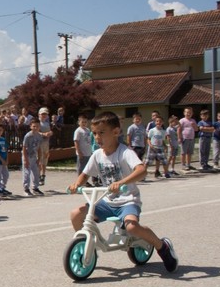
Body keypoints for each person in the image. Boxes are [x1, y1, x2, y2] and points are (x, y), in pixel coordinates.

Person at [68, 111, 178, 273]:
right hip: (107, 201)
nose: (97, 137)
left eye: (101, 133)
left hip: (128, 200)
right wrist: (76, 184)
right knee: (76, 214)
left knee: (132, 227)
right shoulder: (97, 155)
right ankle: (87, 245)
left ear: (116, 132)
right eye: (95, 134)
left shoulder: (125, 152)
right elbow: (85, 174)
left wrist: (121, 183)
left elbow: (141, 170)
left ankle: (162, 246)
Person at [22, 120, 43, 196]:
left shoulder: (39, 136)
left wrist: (39, 159)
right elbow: (24, 147)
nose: (35, 128)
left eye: (37, 126)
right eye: (34, 126)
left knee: (36, 172)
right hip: (27, 156)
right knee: (27, 173)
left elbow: (39, 148)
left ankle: (35, 188)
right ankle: (26, 188)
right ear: (30, 126)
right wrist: (25, 160)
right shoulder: (28, 136)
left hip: (34, 157)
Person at [37, 107, 53, 185]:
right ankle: (38, 175)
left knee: (45, 159)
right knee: (39, 160)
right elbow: (35, 132)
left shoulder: (46, 123)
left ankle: (43, 175)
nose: (44, 115)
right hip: (39, 144)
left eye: (45, 114)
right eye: (42, 114)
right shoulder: (37, 123)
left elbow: (49, 132)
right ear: (39, 114)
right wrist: (43, 134)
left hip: (46, 143)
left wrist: (50, 133)